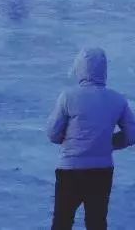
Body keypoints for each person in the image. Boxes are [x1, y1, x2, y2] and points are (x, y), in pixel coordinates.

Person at [46, 47, 135, 230]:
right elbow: (132, 134)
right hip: (102, 172)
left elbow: (53, 134)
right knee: (96, 223)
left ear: (79, 68)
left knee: (62, 222)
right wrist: (108, 144)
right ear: (104, 70)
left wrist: (67, 140)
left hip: (70, 171)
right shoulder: (117, 99)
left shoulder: (68, 97)